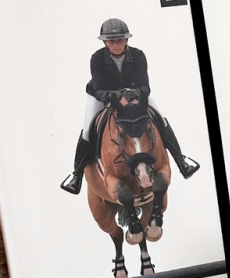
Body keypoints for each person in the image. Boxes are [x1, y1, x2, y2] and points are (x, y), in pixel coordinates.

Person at [60, 18, 200, 194]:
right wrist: (113, 96)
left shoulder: (138, 55)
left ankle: (181, 161)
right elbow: (99, 89)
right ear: (105, 42)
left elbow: (145, 86)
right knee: (88, 130)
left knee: (160, 118)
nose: (116, 45)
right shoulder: (97, 58)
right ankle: (76, 176)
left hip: (133, 95)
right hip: (102, 96)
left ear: (126, 39)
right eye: (111, 41)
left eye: (120, 40)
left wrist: (134, 93)